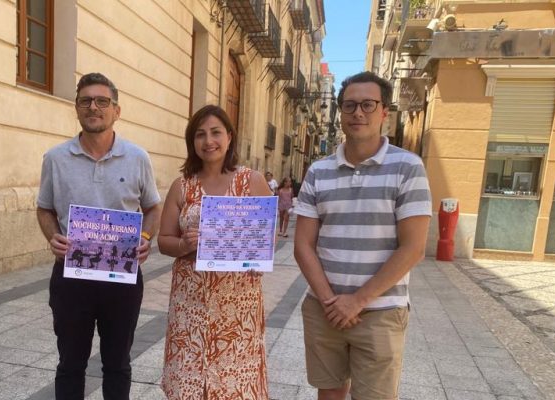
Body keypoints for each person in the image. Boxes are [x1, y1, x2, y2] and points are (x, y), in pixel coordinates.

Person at [293, 71, 432, 400]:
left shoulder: (407, 168)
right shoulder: (318, 171)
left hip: (381, 310)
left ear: (385, 112)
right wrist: (331, 302)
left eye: (368, 105)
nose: (358, 113)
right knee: (328, 392)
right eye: (350, 105)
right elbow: (303, 246)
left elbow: (413, 249)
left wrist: (357, 301)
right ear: (340, 112)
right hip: (324, 308)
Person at [36, 72, 161, 400]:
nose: (94, 107)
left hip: (122, 278)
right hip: (70, 276)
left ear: (116, 110)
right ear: (76, 108)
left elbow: (153, 207)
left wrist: (145, 236)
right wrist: (53, 237)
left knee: (118, 364)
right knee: (70, 364)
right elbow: (44, 209)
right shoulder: (55, 158)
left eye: (102, 101)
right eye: (86, 101)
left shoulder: (137, 158)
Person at [158, 105, 273, 399]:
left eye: (215, 132)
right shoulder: (183, 187)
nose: (208, 141)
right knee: (189, 383)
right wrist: (185, 245)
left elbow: (266, 241)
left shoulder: (252, 181)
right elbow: (164, 240)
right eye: (200, 134)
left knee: (234, 386)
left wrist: (244, 244)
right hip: (190, 304)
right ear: (192, 142)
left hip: (237, 306)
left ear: (230, 137)